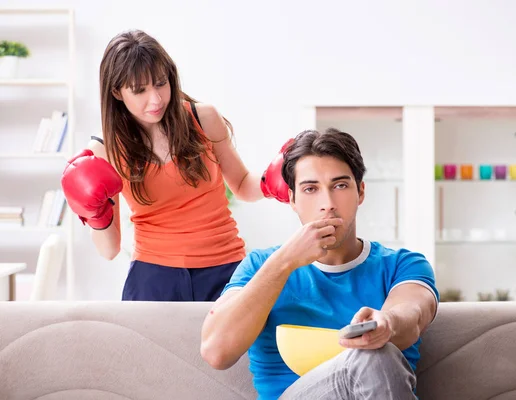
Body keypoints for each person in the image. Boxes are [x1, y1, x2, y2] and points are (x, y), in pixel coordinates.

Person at [201, 127, 440, 399]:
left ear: (360, 192)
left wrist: (387, 324)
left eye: (340, 186)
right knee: (371, 356)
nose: (327, 204)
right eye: (310, 189)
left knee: (376, 353)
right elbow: (215, 352)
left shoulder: (403, 265)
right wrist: (285, 262)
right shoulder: (260, 265)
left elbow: (412, 313)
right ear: (292, 199)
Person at [60, 29, 290, 302]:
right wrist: (95, 213)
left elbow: (241, 185)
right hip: (153, 275)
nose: (156, 99)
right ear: (117, 92)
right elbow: (109, 249)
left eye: (160, 83)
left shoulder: (202, 118)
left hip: (225, 267)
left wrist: (277, 178)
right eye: (140, 90)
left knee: (237, 345)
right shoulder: (105, 150)